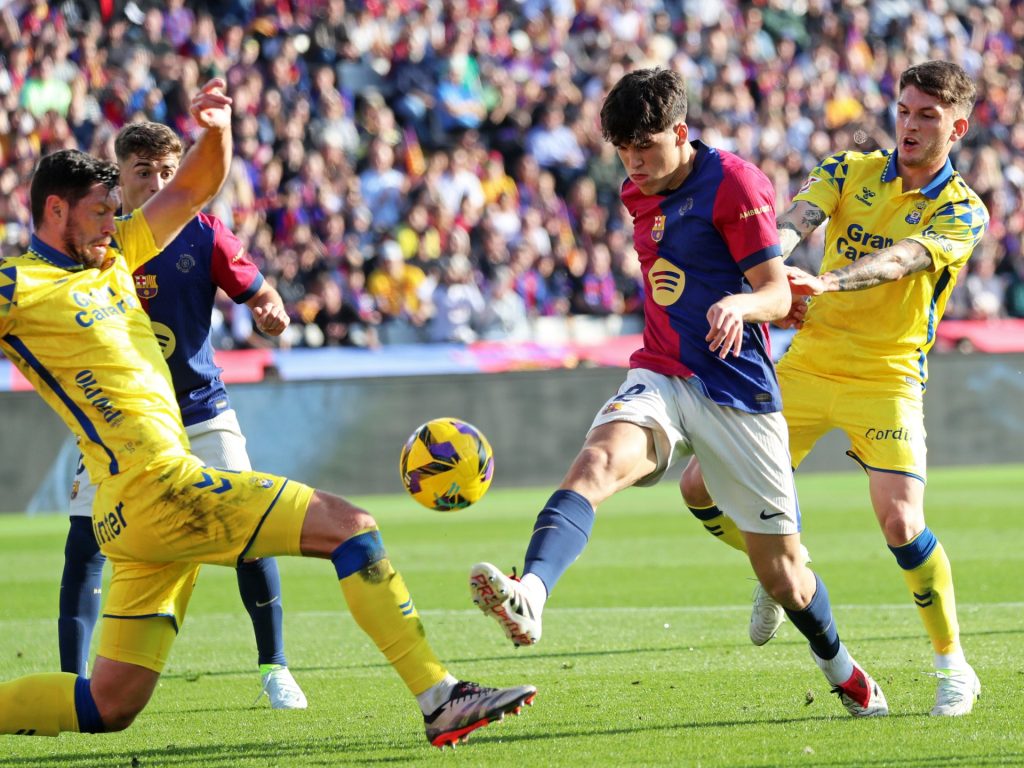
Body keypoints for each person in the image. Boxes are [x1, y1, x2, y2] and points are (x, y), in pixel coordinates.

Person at [0, 80, 535, 748]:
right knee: (350, 526)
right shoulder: (17, 285)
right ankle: (440, 697)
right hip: (155, 487)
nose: (114, 222)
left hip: (135, 511)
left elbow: (192, 189)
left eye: (115, 210)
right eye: (100, 212)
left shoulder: (115, 257)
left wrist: (217, 129)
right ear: (55, 210)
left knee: (110, 705)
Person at [469, 68, 887, 717]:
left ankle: (843, 669)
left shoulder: (734, 184)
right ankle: (531, 594)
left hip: (738, 390)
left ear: (681, 132)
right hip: (662, 372)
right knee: (596, 463)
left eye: (645, 146)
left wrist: (741, 305)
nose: (633, 163)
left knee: (786, 578)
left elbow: (777, 293)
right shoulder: (637, 190)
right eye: (622, 150)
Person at [679, 60, 987, 717]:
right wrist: (777, 268)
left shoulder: (964, 209)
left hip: (887, 373)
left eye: (927, 115)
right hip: (810, 361)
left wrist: (828, 282)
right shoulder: (850, 168)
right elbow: (795, 220)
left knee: (902, 523)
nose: (909, 124)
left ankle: (953, 666)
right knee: (698, 487)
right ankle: (785, 564)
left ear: (957, 128)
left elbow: (903, 259)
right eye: (904, 110)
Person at [58, 120, 307, 709]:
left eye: (169, 172)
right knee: (85, 544)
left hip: (199, 408)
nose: (158, 183)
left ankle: (275, 666)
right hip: (118, 421)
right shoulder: (95, 244)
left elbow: (261, 293)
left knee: (250, 529)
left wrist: (271, 311)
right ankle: (71, 683)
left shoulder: (205, 233)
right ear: (119, 177)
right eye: (144, 172)